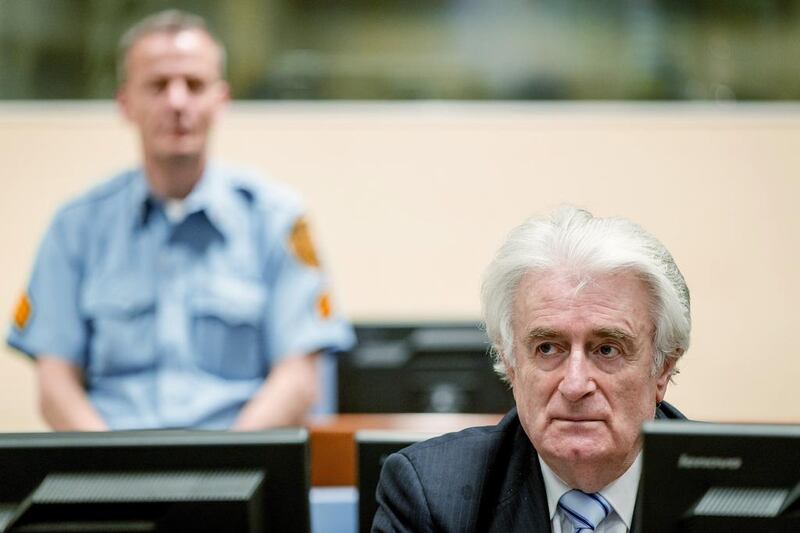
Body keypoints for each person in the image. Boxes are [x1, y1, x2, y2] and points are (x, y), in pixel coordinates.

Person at [6, 10, 354, 431]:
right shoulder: (76, 227)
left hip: (241, 475)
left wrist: (220, 475)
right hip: (107, 477)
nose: (176, 102)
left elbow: (298, 379)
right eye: (157, 85)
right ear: (125, 103)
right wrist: (114, 474)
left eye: (194, 84)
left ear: (220, 100)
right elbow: (55, 385)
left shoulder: (276, 220)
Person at [372, 206, 690, 532]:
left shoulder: (731, 489)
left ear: (663, 367)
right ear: (511, 364)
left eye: (607, 350)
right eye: (548, 348)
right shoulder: (431, 497)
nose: (575, 384)